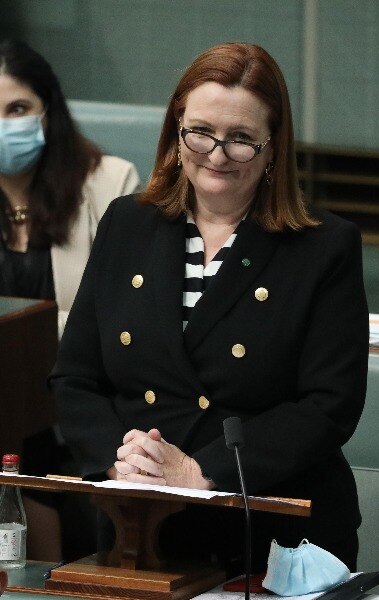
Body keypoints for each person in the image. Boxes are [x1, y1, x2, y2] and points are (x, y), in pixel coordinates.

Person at [49, 42, 369, 572]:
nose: (217, 155)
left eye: (241, 139)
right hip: (142, 527)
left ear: (273, 148)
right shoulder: (127, 223)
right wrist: (120, 459)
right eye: (200, 132)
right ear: (177, 131)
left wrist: (203, 472)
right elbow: (75, 378)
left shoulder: (323, 246)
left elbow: (328, 404)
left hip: (267, 528)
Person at [0, 39, 139, 561]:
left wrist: (23, 340)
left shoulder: (110, 185)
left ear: (47, 111)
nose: (4, 125)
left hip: (83, 401)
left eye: (16, 109)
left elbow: (123, 322)